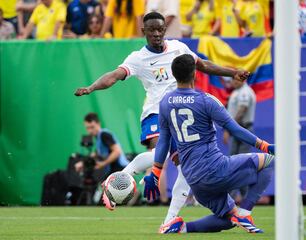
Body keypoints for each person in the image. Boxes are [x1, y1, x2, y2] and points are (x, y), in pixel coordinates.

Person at [74, 11, 250, 228]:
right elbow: (113, 76)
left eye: (160, 29)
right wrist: (91, 87)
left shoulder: (179, 48)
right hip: (156, 113)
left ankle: (169, 221)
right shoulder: (138, 58)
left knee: (187, 169)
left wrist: (232, 73)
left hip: (178, 113)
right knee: (162, 154)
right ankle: (119, 178)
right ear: (144, 32)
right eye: (152, 30)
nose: (156, 34)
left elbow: (202, 65)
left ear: (164, 30)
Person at [143, 54, 274, 234]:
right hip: (215, 169)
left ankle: (181, 228)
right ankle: (245, 212)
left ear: (174, 75)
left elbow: (164, 140)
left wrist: (155, 172)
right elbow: (235, 129)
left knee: (229, 219)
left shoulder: (165, 103)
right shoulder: (206, 100)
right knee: (269, 161)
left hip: (194, 180)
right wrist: (264, 145)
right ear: (195, 74)